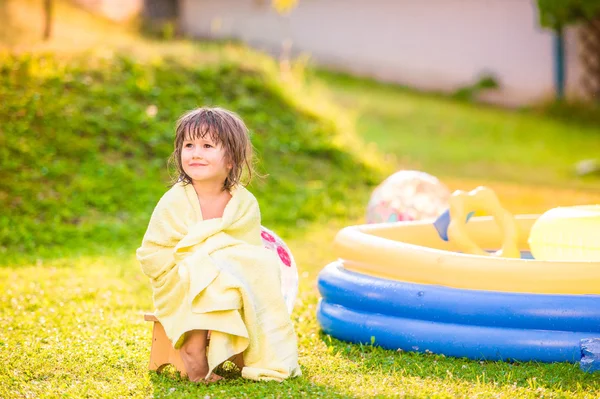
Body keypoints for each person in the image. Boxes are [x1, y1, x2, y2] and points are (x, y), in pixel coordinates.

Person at [137, 107, 301, 383]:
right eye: (188, 145)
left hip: (225, 277)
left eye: (207, 145)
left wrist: (217, 257)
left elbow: (246, 252)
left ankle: (265, 354)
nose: (195, 153)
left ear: (231, 160)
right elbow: (155, 250)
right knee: (202, 269)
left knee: (260, 265)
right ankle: (194, 352)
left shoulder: (243, 203)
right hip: (178, 276)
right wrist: (202, 257)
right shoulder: (175, 200)